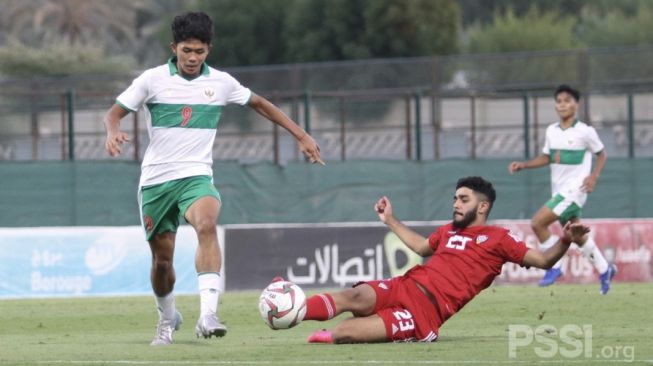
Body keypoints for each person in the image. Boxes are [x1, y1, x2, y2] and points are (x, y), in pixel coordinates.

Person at [103, 11, 324, 346]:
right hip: (156, 182)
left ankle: (208, 315)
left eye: (200, 51)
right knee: (162, 263)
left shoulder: (221, 83)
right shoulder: (152, 79)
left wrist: (301, 135)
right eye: (187, 50)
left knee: (206, 225)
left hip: (196, 176)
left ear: (209, 49)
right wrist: (113, 131)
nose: (193, 58)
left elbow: (261, 105)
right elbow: (115, 112)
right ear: (173, 46)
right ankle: (167, 318)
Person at [271, 176, 590, 344]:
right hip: (403, 286)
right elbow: (423, 248)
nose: (455, 204)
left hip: (425, 313)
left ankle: (319, 327)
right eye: (455, 198)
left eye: (463, 199)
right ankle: (292, 310)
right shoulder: (448, 231)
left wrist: (565, 240)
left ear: (482, 207)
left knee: (343, 333)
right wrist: (390, 220)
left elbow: (545, 259)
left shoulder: (499, 239)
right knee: (353, 295)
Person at [508, 84, 616, 294]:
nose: (563, 105)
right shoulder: (552, 131)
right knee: (576, 234)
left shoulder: (585, 131)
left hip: (575, 190)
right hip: (559, 190)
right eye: (559, 101)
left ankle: (554, 266)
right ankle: (605, 269)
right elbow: (547, 158)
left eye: (567, 100)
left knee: (538, 223)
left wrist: (594, 177)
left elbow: (602, 154)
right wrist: (524, 165)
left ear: (577, 104)